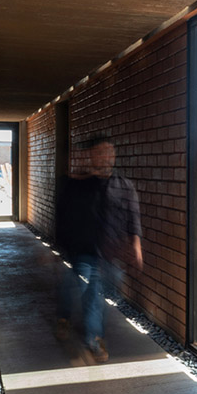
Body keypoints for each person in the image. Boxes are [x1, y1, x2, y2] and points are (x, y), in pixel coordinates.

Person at [54, 135, 143, 362]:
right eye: (101, 152)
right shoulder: (79, 184)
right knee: (92, 294)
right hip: (85, 250)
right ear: (91, 155)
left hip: (111, 254)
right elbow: (64, 214)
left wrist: (136, 247)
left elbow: (133, 219)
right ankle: (94, 340)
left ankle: (65, 316)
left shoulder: (124, 186)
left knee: (90, 289)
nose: (106, 157)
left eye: (110, 152)